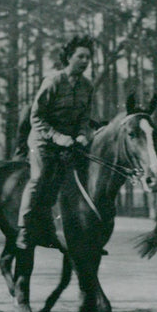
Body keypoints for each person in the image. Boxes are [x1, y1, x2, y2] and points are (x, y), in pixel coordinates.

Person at [15, 35, 95, 250]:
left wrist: (81, 134)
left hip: (69, 144)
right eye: (80, 57)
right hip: (42, 141)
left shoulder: (87, 86)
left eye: (88, 57)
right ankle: (23, 229)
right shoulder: (53, 81)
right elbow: (36, 117)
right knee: (38, 178)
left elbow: (85, 118)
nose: (85, 61)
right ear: (69, 58)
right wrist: (58, 137)